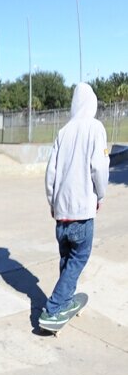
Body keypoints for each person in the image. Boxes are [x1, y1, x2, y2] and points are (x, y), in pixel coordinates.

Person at [40, 82, 109, 328]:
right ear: (91, 104)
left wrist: (53, 202)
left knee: (67, 259)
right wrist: (100, 195)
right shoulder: (95, 128)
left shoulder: (63, 132)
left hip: (61, 215)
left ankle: (65, 299)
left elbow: (51, 173)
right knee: (78, 259)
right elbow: (99, 167)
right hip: (82, 212)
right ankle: (54, 308)